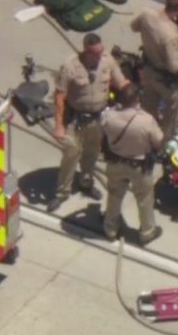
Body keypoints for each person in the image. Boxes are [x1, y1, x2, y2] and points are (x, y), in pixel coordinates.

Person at [49, 32, 129, 212]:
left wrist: (133, 99)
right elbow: (60, 97)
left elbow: (121, 82)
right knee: (71, 154)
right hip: (75, 118)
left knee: (92, 154)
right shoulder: (71, 66)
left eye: (102, 51)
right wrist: (59, 125)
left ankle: (86, 182)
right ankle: (62, 192)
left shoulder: (107, 61)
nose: (100, 56)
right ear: (86, 51)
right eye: (96, 53)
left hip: (98, 118)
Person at [101, 83, 164, 245]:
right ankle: (147, 231)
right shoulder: (146, 120)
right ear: (137, 99)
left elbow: (104, 133)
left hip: (115, 162)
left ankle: (110, 228)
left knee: (114, 195)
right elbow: (159, 142)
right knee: (144, 199)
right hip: (139, 166)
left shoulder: (109, 116)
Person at [131, 0, 178, 144]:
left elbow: (134, 27)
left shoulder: (147, 14)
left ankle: (142, 137)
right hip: (166, 80)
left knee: (148, 107)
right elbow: (174, 67)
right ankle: (161, 144)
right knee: (170, 116)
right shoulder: (171, 36)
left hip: (148, 71)